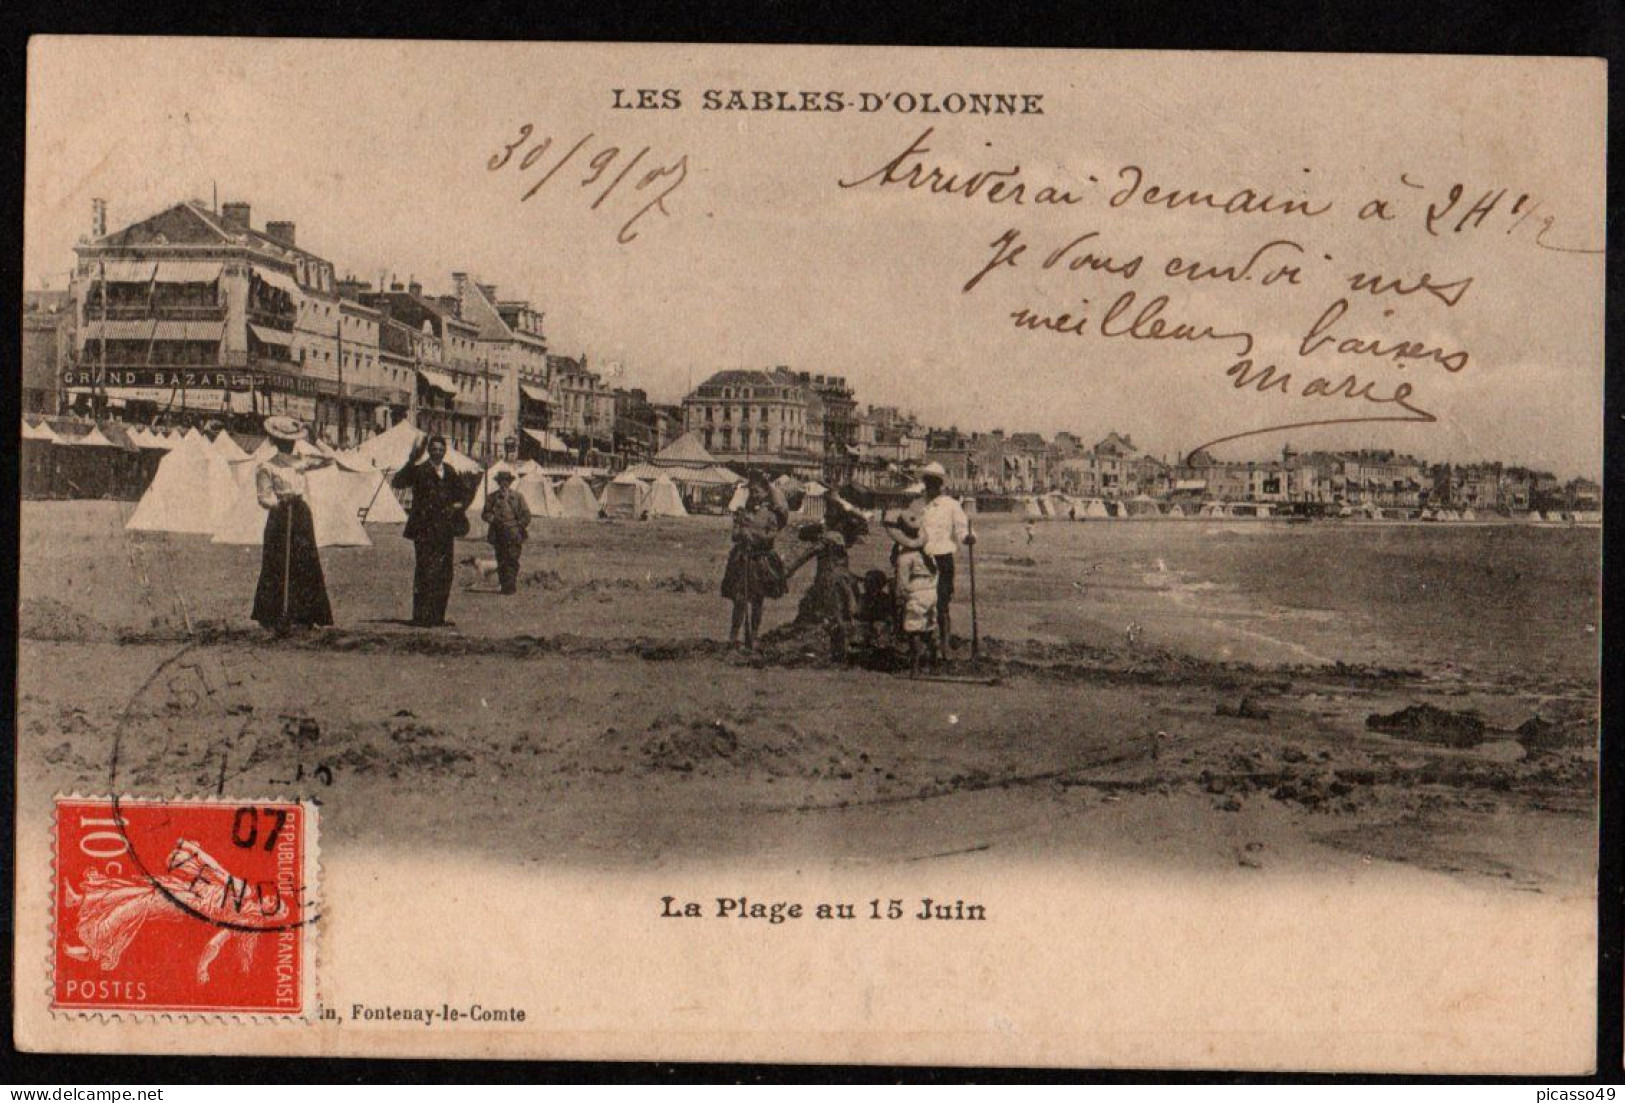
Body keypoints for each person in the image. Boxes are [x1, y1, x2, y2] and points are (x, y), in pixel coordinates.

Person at [251, 415, 334, 633]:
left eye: (291, 441)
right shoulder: (267, 466)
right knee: (277, 561)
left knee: (305, 560)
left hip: (300, 514)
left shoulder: (301, 460)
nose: (287, 444)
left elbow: (330, 458)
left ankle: (305, 615)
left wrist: (316, 440)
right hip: (280, 515)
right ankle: (274, 614)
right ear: (274, 441)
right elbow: (263, 496)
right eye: (282, 441)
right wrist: (278, 503)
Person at [392, 433, 473, 627]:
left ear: (445, 451)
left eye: (441, 449)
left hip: (445, 530)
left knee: (445, 573)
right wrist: (412, 459)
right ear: (428, 451)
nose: (437, 452)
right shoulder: (420, 471)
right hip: (424, 530)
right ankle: (421, 617)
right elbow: (397, 482)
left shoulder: (450, 472)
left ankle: (438, 617)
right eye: (434, 449)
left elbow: (464, 494)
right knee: (425, 571)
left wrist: (458, 506)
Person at [784, 492, 868, 661]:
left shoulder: (829, 537)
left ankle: (837, 651)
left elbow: (808, 553)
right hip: (843, 578)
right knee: (842, 613)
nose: (824, 515)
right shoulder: (841, 537)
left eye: (827, 512)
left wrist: (790, 569)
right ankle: (842, 649)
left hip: (829, 579)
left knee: (832, 614)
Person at [720, 470, 788, 651]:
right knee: (739, 600)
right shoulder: (742, 513)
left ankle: (753, 636)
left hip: (760, 562)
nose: (754, 495)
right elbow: (734, 534)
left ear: (765, 493)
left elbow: (771, 535)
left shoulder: (770, 515)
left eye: (757, 492)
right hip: (742, 561)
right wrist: (741, 533)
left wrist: (754, 537)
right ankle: (733, 636)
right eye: (752, 491)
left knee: (757, 601)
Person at [916, 461, 975, 658]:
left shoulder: (950, 505)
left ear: (940, 484)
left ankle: (945, 645)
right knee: (919, 601)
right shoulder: (919, 504)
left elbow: (961, 527)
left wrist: (967, 536)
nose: (930, 487)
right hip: (920, 557)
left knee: (942, 603)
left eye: (934, 483)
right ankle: (922, 644)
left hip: (943, 558)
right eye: (927, 483)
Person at [885, 506, 939, 674]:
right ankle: (932, 662)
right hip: (930, 589)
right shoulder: (927, 554)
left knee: (913, 628)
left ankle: (915, 665)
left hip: (915, 591)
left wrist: (900, 598)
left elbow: (901, 582)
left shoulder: (905, 558)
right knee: (929, 626)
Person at [481, 467, 532, 594]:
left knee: (513, 559)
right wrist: (492, 519)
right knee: (502, 559)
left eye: (507, 481)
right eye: (502, 481)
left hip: (515, 533)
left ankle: (511, 586)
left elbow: (527, 515)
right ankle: (504, 586)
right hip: (499, 533)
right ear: (498, 483)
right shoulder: (492, 497)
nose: (504, 483)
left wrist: (519, 526)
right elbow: (485, 513)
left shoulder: (518, 497)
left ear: (510, 483)